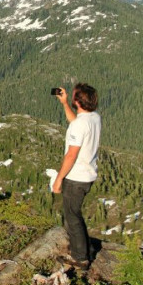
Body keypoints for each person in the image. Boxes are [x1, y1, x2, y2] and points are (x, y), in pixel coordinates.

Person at [52, 83, 101, 270]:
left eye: (73, 97)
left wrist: (59, 178)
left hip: (76, 177)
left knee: (72, 216)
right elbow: (76, 121)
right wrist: (64, 104)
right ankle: (85, 248)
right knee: (75, 213)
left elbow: (71, 155)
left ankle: (80, 258)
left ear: (78, 101)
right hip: (88, 174)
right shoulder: (94, 117)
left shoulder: (79, 125)